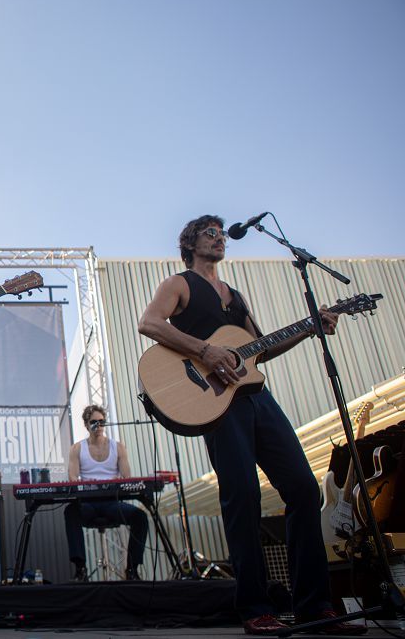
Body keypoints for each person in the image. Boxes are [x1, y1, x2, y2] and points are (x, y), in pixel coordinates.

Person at [137, 214, 364, 636]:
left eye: (222, 233)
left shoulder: (235, 295)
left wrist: (311, 326)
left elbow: (260, 348)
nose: (220, 238)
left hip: (258, 398)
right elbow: (149, 323)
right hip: (216, 403)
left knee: (302, 487)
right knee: (242, 497)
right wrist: (205, 351)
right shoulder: (180, 283)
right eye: (210, 232)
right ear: (189, 242)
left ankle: (314, 604)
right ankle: (255, 608)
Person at [64, 404, 149, 582]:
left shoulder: (117, 447)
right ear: (87, 425)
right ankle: (80, 569)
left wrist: (114, 484)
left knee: (140, 517)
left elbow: (127, 477)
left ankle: (132, 570)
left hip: (112, 503)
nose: (98, 425)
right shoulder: (77, 449)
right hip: (88, 504)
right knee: (71, 511)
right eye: (94, 422)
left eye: (101, 422)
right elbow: (72, 478)